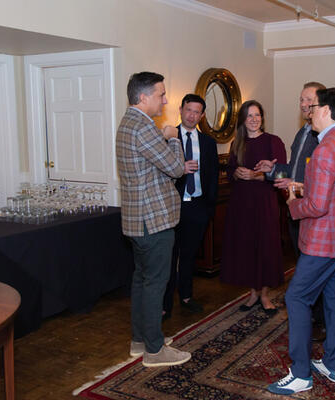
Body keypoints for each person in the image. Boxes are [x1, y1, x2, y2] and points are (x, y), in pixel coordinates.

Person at [267, 88, 335, 395]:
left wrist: (293, 204)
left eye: (313, 108)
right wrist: (304, 184)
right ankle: (333, 364)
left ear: (326, 110)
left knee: (296, 298)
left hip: (323, 241)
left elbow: (317, 206)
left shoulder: (324, 150)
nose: (308, 112)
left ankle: (300, 374)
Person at [116, 72, 191, 368]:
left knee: (142, 281)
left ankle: (140, 340)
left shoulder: (128, 123)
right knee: (155, 284)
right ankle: (155, 350)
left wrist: (163, 137)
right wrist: (173, 138)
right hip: (153, 220)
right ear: (143, 97)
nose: (165, 99)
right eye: (161, 94)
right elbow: (175, 168)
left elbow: (150, 164)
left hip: (138, 219)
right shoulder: (144, 127)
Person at [254, 81, 327, 341]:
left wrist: (296, 184)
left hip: (312, 211)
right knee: (302, 263)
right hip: (295, 209)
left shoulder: (325, 137)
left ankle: (320, 318)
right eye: (301, 100)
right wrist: (272, 170)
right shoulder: (302, 133)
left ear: (321, 104)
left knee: (313, 268)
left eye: (309, 100)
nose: (304, 105)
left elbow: (323, 183)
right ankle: (312, 312)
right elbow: (293, 170)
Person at [220, 100, 287, 315]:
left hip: (264, 203)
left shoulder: (273, 141)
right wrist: (237, 173)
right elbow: (230, 171)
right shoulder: (237, 144)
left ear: (262, 118)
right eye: (249, 116)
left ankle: (265, 295)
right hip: (242, 205)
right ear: (243, 120)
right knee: (247, 248)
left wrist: (256, 175)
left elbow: (281, 175)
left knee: (265, 247)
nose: (254, 119)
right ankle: (252, 293)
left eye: (257, 115)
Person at [162, 94, 219, 319]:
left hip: (197, 206)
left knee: (188, 255)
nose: (192, 115)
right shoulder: (167, 139)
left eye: (197, 112)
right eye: (188, 110)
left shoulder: (208, 142)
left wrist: (209, 208)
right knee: (168, 256)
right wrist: (179, 168)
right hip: (173, 206)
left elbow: (213, 175)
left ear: (202, 115)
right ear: (181, 109)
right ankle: (165, 305)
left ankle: (186, 296)